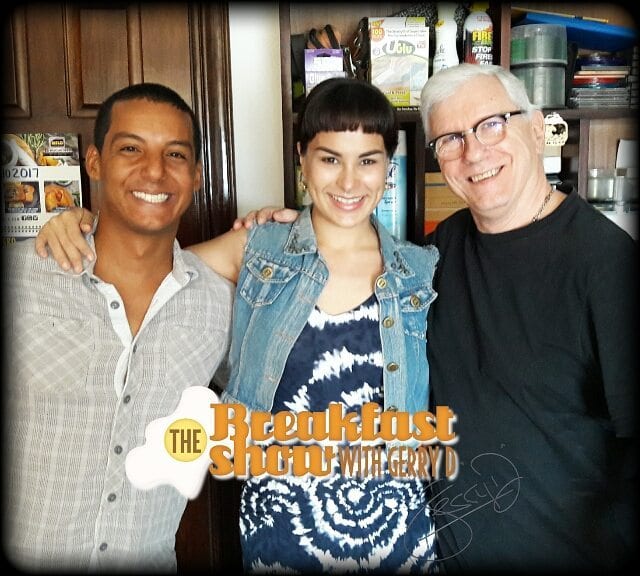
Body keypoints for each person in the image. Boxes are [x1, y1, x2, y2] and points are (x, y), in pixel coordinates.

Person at [33, 77, 440, 573]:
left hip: (396, 529)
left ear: (388, 166)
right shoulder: (257, 250)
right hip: (281, 531)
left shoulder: (420, 271)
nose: (349, 182)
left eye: (368, 161)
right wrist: (76, 223)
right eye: (330, 159)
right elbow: (144, 268)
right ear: (302, 159)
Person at [2, 82, 234, 572]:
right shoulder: (22, 279)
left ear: (196, 175)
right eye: (131, 149)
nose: (155, 170)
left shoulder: (218, 305)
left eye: (175, 154)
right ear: (95, 162)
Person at [419, 64, 638, 574]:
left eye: (492, 124)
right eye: (451, 139)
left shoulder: (607, 263)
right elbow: (351, 270)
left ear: (537, 129)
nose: (474, 153)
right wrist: (283, 232)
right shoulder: (436, 252)